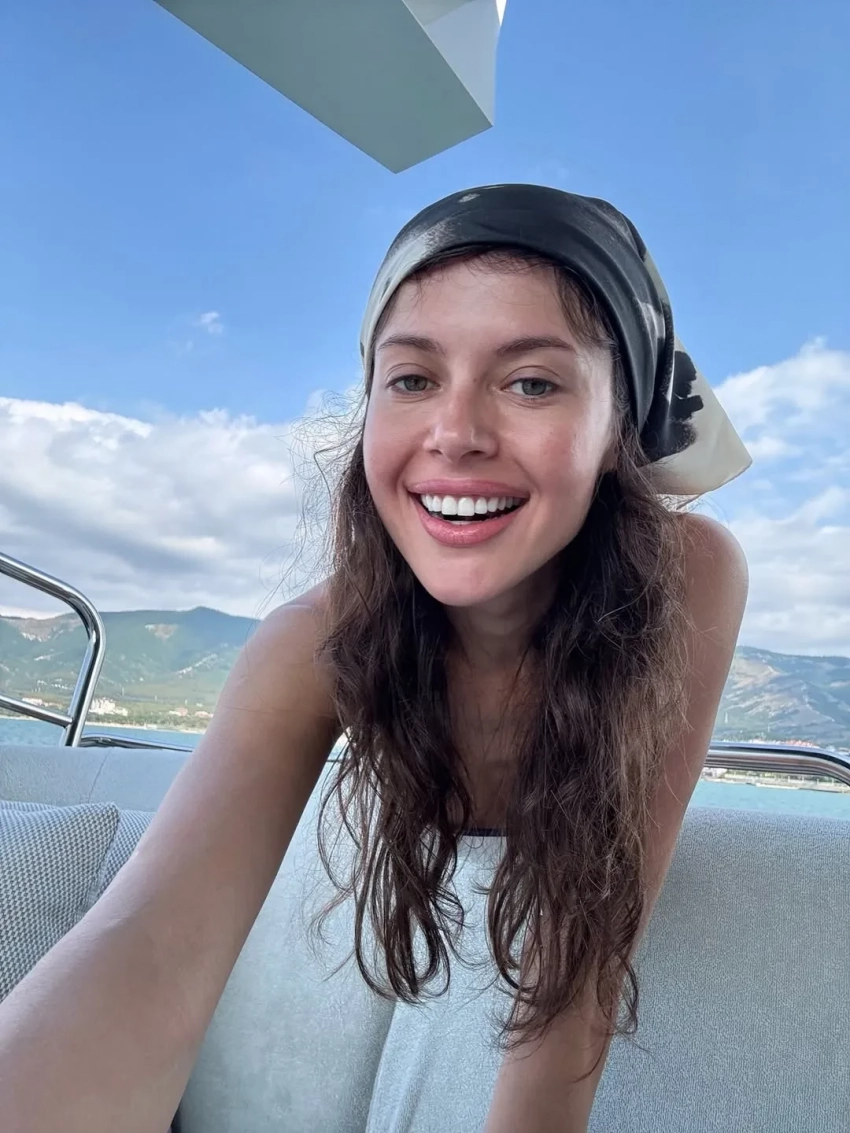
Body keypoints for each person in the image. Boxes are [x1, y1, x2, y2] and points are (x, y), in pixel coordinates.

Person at [0, 185, 750, 1133]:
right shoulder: (310, 644)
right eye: (412, 379)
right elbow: (150, 943)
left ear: (618, 433)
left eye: (531, 383)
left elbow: (587, 937)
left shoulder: (686, 580)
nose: (456, 433)